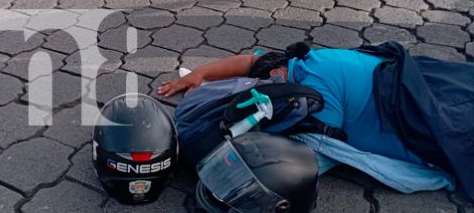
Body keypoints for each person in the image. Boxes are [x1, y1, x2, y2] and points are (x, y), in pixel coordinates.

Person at [158, 42, 474, 198]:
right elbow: (252, 62)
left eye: (269, 80)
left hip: (405, 103)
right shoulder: (311, 61)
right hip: (406, 82)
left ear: (280, 73)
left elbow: (306, 148)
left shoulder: (310, 94)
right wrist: (200, 74)